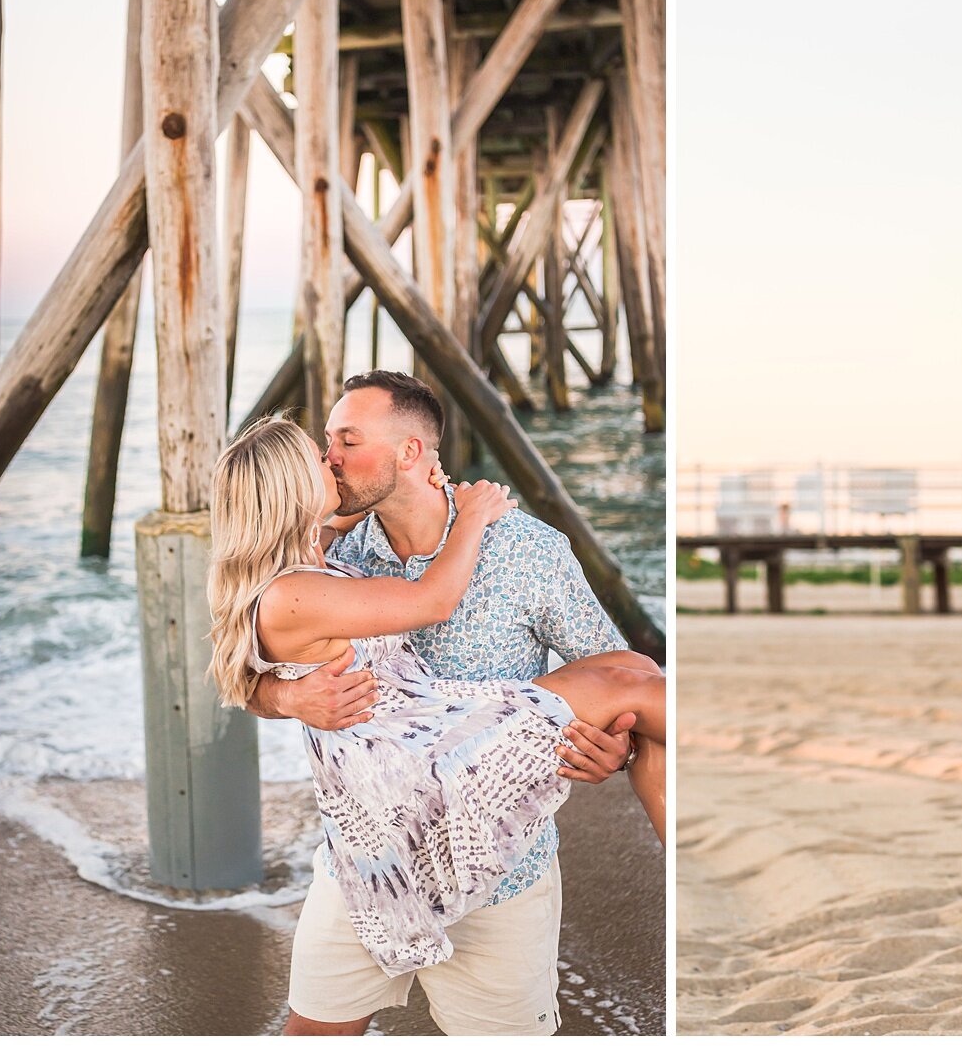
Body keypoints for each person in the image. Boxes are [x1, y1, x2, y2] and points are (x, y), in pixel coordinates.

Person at [239, 371, 661, 1036]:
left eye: (347, 440)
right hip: (365, 863)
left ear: (410, 453)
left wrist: (619, 747)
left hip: (501, 882)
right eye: (328, 443)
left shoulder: (529, 553)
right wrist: (290, 694)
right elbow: (241, 666)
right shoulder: (328, 552)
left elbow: (609, 677)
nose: (333, 458)